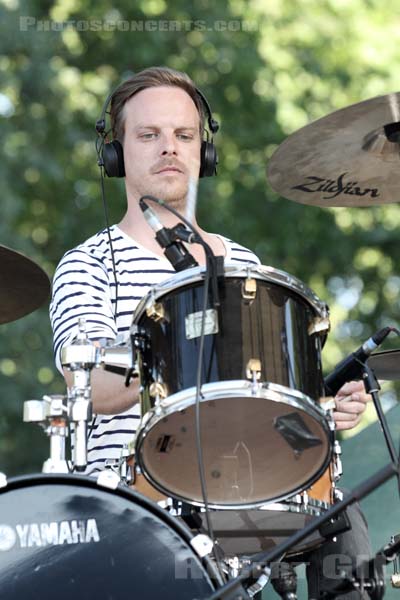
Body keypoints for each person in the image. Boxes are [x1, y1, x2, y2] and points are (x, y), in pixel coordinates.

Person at [50, 66, 371, 598]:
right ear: (116, 154)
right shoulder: (86, 264)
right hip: (135, 503)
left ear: (205, 151)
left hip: (243, 482)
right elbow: (92, 391)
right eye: (148, 135)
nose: (168, 149)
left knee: (344, 514)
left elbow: (268, 395)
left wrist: (321, 406)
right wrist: (185, 354)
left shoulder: (242, 263)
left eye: (183, 135)